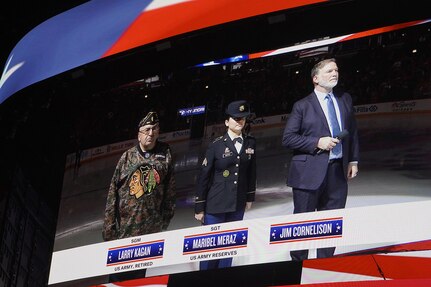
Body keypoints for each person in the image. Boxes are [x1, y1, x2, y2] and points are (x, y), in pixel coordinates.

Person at [282, 58, 359, 261]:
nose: (335, 73)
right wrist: (317, 142)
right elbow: (288, 138)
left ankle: (325, 265)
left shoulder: (345, 99)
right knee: (303, 224)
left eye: (336, 70)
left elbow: (352, 131)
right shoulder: (302, 106)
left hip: (337, 171)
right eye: (329, 71)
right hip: (308, 174)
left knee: (331, 223)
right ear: (316, 78)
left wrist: (353, 160)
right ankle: (298, 266)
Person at [102, 111, 176, 280]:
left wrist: (163, 222)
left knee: (140, 278)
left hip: (151, 231)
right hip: (125, 231)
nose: (151, 133)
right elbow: (113, 192)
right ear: (139, 134)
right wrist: (109, 229)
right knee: (118, 277)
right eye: (147, 129)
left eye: (155, 129)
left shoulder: (165, 153)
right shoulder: (127, 157)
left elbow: (170, 191)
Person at [194, 100, 257, 270]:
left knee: (229, 248)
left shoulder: (250, 143)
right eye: (235, 118)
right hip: (215, 205)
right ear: (227, 121)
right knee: (210, 249)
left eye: (242, 118)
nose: (239, 121)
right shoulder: (216, 145)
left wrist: (249, 197)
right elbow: (204, 176)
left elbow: (252, 172)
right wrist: (200, 206)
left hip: (237, 204)